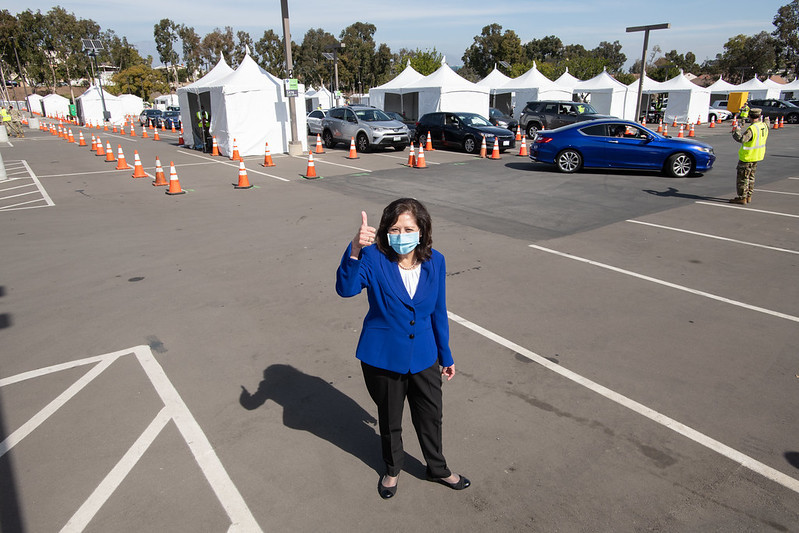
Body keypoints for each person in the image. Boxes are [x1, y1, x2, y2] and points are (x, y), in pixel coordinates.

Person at [335, 198, 470, 500]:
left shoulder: (436, 261)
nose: (401, 234)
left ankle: (437, 468)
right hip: (382, 356)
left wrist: (445, 356)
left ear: (422, 230)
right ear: (385, 231)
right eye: (394, 229)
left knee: (431, 416)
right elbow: (346, 289)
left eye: (408, 228)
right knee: (390, 417)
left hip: (424, 355)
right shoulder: (373, 258)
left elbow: (438, 310)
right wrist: (355, 249)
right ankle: (392, 469)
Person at [730, 108, 768, 205]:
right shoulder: (763, 125)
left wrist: (736, 131)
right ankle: (749, 196)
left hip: (747, 157)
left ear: (749, 116)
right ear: (759, 116)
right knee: (751, 177)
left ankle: (742, 197)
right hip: (757, 156)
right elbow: (767, 125)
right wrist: (766, 120)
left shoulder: (752, 129)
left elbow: (742, 139)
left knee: (743, 178)